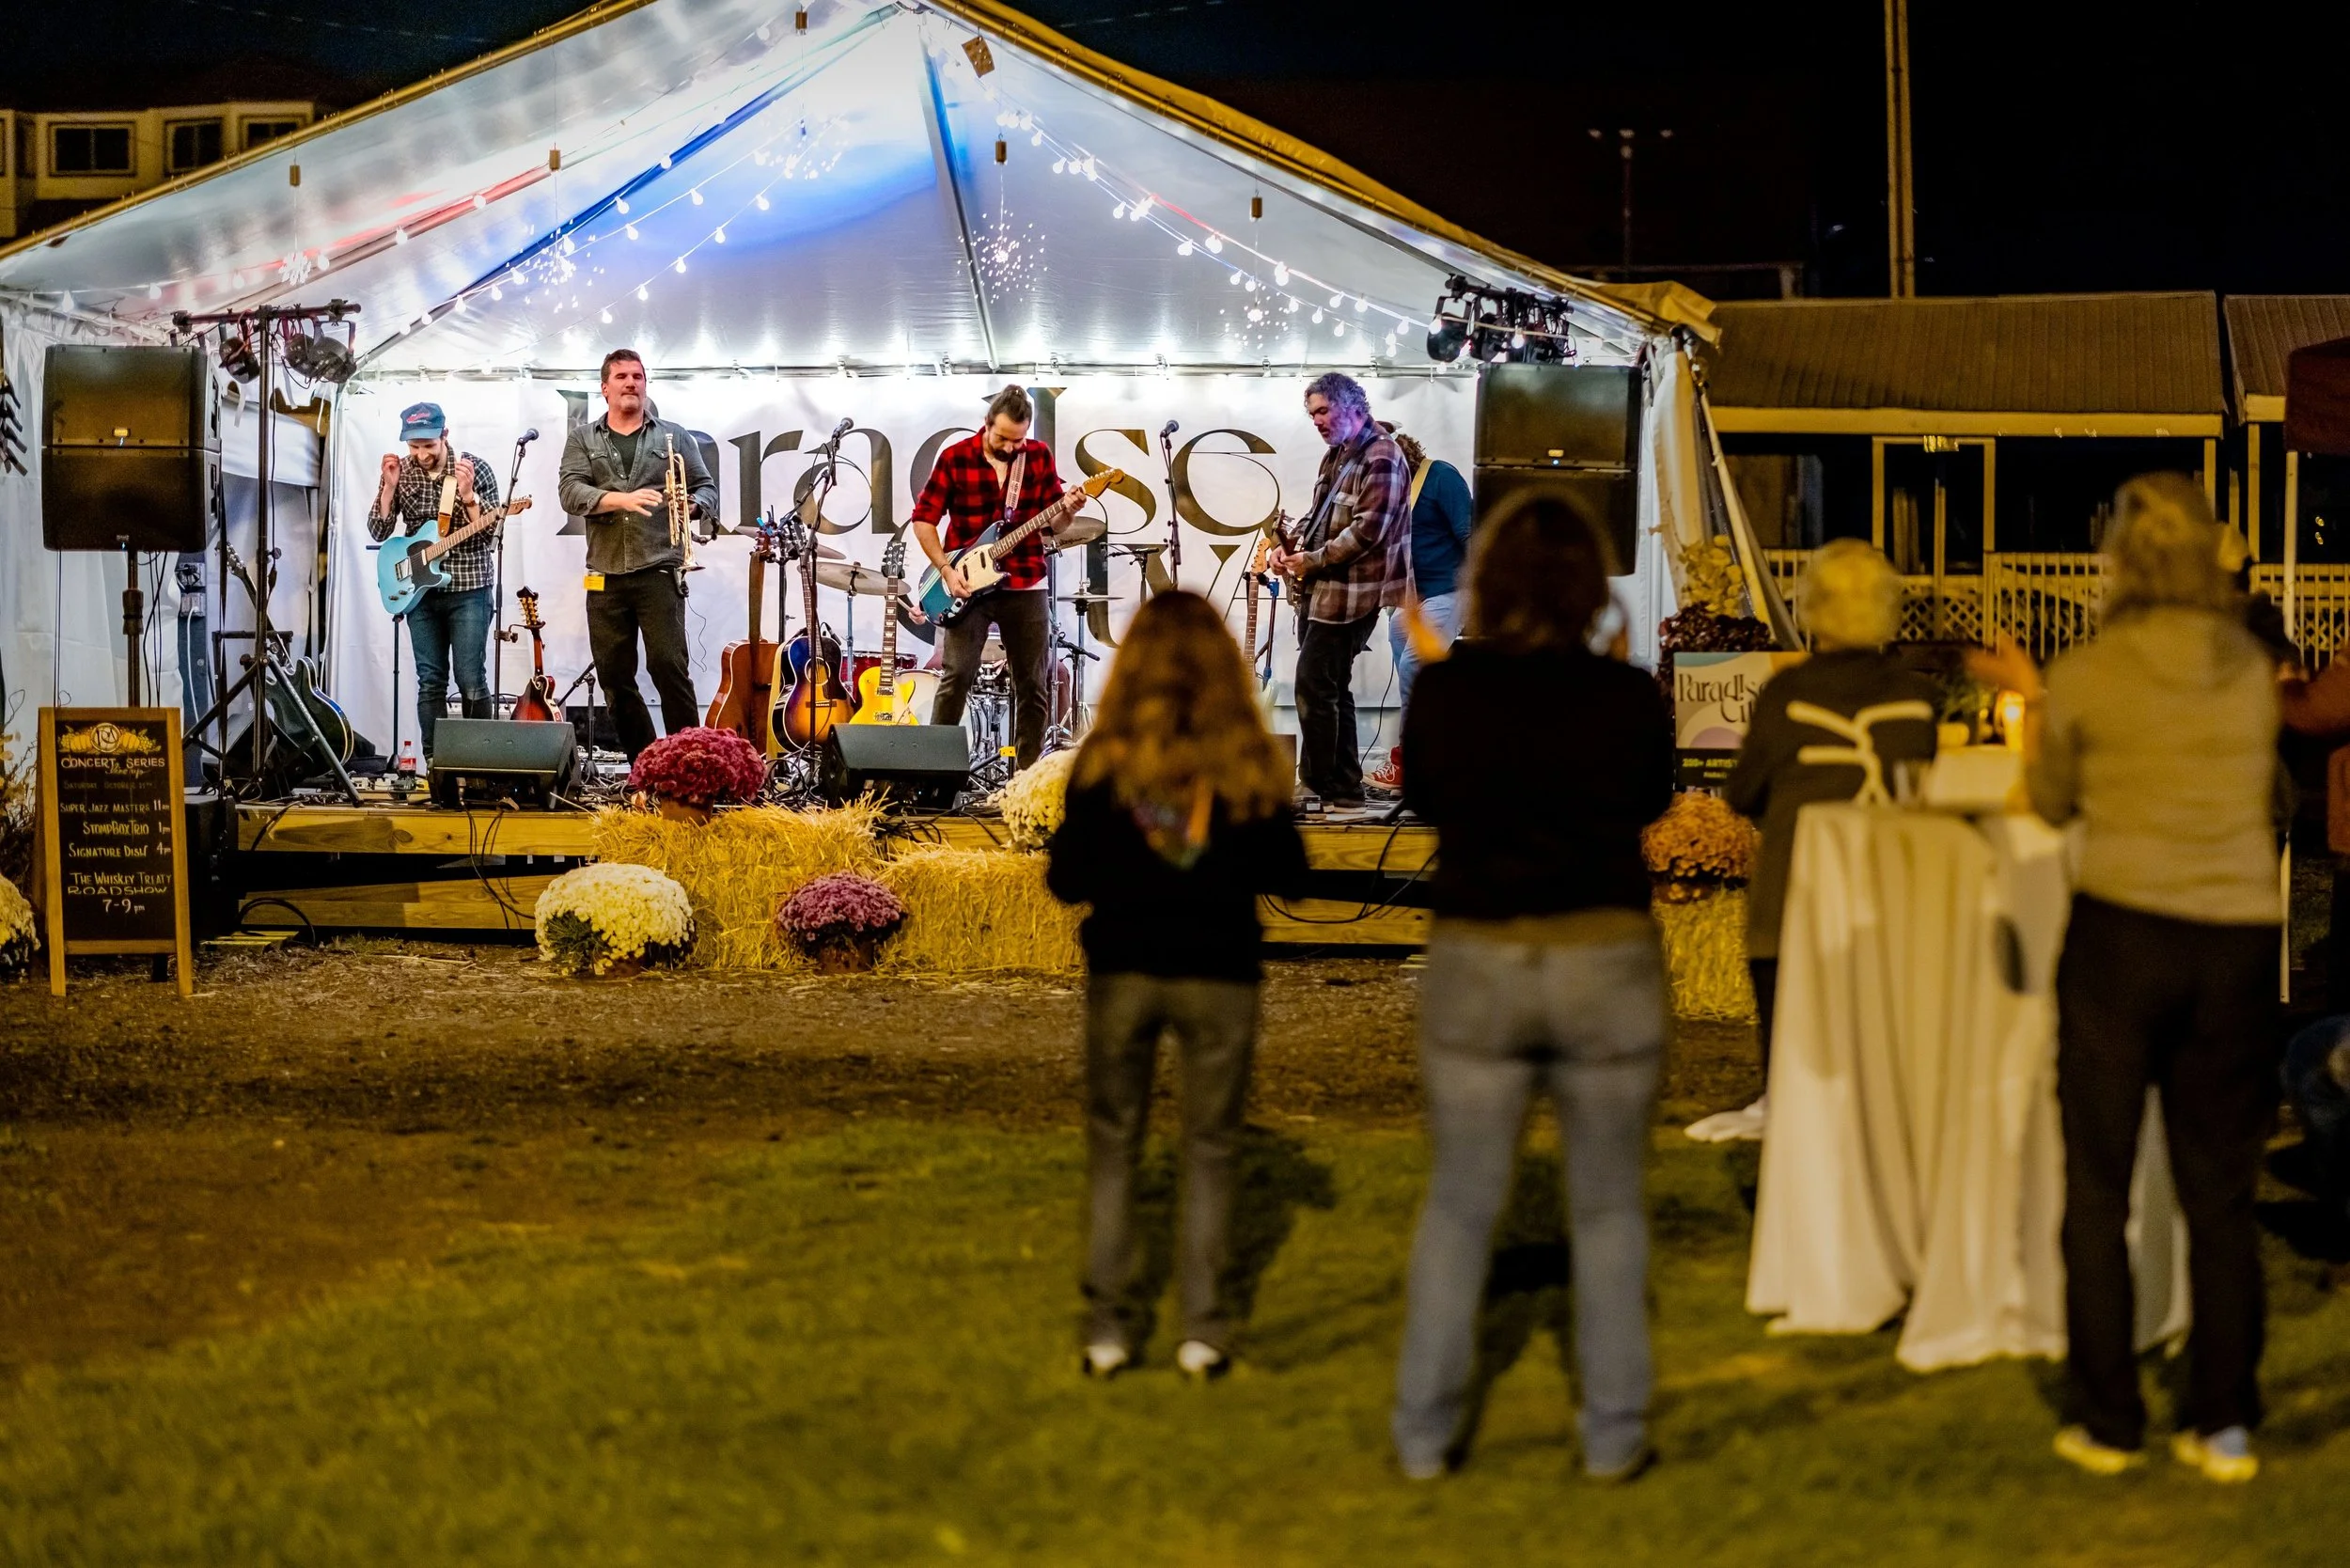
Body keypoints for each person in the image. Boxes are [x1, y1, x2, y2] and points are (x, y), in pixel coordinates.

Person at [1971, 472, 2281, 1484]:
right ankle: (2223, 1420)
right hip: (2236, 939)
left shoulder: (2092, 670)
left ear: (2118, 560)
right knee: (2219, 1193)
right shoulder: (2247, 667)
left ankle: (2109, 1420)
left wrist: (2033, 701)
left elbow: (2052, 804)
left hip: (2124, 933)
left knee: (2097, 1185)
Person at [1389, 494, 1675, 1483]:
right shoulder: (1624, 695)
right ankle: (1615, 1434)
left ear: (1490, 581)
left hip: (1479, 954)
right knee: (1609, 1211)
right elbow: (1651, 798)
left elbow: (1422, 796)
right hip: (1603, 953)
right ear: (1591, 586)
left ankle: (1424, 1435)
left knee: (1460, 1207)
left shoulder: (1447, 692)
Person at [1044, 590, 1310, 1381]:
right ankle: (1204, 1331)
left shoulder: (1104, 762)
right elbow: (1292, 877)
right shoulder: (1247, 760)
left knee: (1114, 1146)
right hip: (1220, 970)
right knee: (1212, 1147)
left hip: (1124, 968)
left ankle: (1107, 1329)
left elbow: (1065, 880)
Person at [1690, 540, 1938, 1142]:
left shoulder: (1787, 694)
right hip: (1885, 910)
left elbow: (1742, 794)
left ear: (1812, 607)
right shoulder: (1917, 699)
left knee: (1794, 1076)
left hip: (1792, 908)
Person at [556, 349, 718, 760]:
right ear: (604, 388)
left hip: (659, 568)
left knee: (668, 668)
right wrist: (620, 499)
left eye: (638, 376)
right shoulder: (583, 439)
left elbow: (707, 488)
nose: (631, 383)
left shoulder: (674, 435)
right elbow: (570, 492)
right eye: (622, 376)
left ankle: (688, 763)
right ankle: (646, 764)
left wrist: (693, 505)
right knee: (614, 678)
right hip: (605, 574)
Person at [1267, 372, 1410, 809]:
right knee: (1331, 687)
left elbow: (1367, 531)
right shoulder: (1336, 456)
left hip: (1354, 593)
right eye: (1312, 414)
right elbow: (1317, 516)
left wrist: (1310, 560)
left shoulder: (1383, 455)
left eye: (1323, 411)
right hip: (1325, 589)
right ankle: (1345, 789)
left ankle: (1318, 783)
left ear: (1352, 406)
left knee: (1314, 684)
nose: (1317, 421)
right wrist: (1286, 547)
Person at [912, 384, 1069, 770]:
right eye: (1003, 438)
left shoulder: (1038, 456)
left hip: (1026, 581)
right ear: (986, 423)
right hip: (967, 586)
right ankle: (937, 778)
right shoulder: (955, 458)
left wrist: (1069, 508)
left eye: (1019, 440)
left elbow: (1058, 525)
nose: (1012, 447)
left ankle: (1026, 780)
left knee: (1033, 685)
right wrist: (946, 569)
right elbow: (924, 519)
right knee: (956, 677)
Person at [366, 401, 501, 759]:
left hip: (469, 587)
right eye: (414, 446)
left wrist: (469, 497)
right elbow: (379, 531)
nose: (421, 454)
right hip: (420, 592)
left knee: (470, 679)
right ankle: (435, 763)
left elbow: (492, 536)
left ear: (445, 435)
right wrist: (388, 489)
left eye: (428, 445)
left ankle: (479, 762)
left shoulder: (474, 469)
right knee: (430, 681)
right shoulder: (401, 470)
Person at [1366, 424, 1474, 792]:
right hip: (1415, 596)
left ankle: (1410, 763)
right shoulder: (1390, 489)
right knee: (1402, 650)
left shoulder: (1439, 476)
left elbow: (1470, 534)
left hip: (1450, 588)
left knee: (1415, 665)